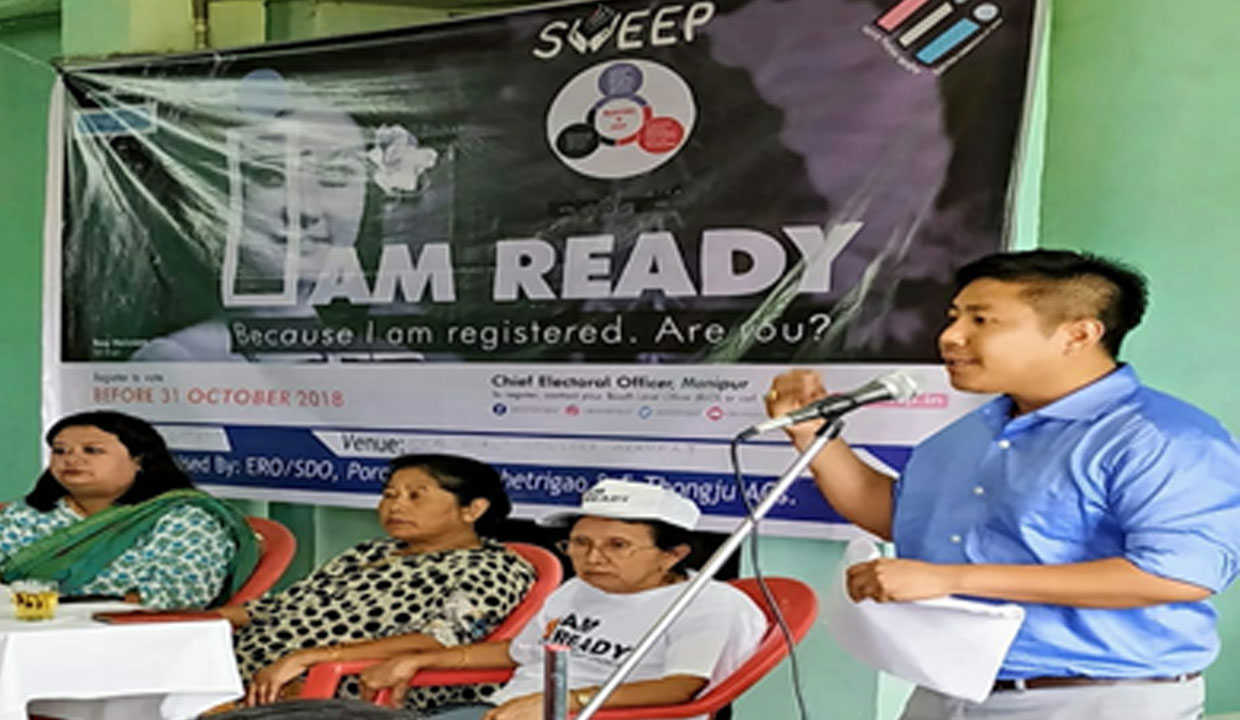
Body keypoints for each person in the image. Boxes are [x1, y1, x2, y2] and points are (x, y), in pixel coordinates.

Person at [765, 249, 1240, 719]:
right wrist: (812, 436)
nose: (950, 337)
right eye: (954, 317)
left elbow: (1177, 574)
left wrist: (951, 579)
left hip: (1095, 697)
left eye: (981, 320)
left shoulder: (1160, 438)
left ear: (1078, 334)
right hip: (949, 689)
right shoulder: (970, 432)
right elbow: (896, 514)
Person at [209, 479, 767, 720]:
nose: (593, 557)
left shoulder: (709, 604)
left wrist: (561, 704)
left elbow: (682, 688)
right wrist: (417, 661)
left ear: (672, 554)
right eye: (580, 543)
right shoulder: (580, 589)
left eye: (617, 546)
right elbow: (515, 653)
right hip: (497, 711)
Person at [219, 453, 536, 711]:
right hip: (245, 672)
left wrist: (311, 657)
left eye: (415, 496)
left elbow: (437, 640)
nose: (396, 506)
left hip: (347, 684)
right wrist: (205, 619)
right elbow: (277, 608)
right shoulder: (372, 551)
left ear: (473, 509)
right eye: (389, 495)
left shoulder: (493, 568)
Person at [0, 410, 258, 609]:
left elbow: (180, 595)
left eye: (92, 450)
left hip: (132, 637)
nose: (71, 459)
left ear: (139, 460)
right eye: (60, 451)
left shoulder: (183, 519)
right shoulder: (29, 513)